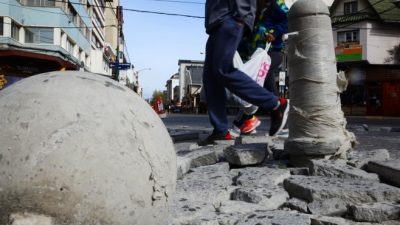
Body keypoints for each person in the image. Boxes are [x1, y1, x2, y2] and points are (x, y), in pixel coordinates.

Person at [198, 0, 289, 146]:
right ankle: (221, 130)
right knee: (211, 78)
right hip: (221, 25)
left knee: (226, 71)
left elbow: (287, 19)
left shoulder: (275, 2)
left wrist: (242, 15)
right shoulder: (259, 8)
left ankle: (276, 105)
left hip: (238, 24)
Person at [230, 0, 289, 137]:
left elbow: (288, 20)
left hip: (273, 50)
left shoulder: (275, 3)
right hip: (253, 55)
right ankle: (248, 120)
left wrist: (274, 32)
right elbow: (247, 36)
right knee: (255, 80)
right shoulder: (251, 9)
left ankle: (276, 116)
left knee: (263, 73)